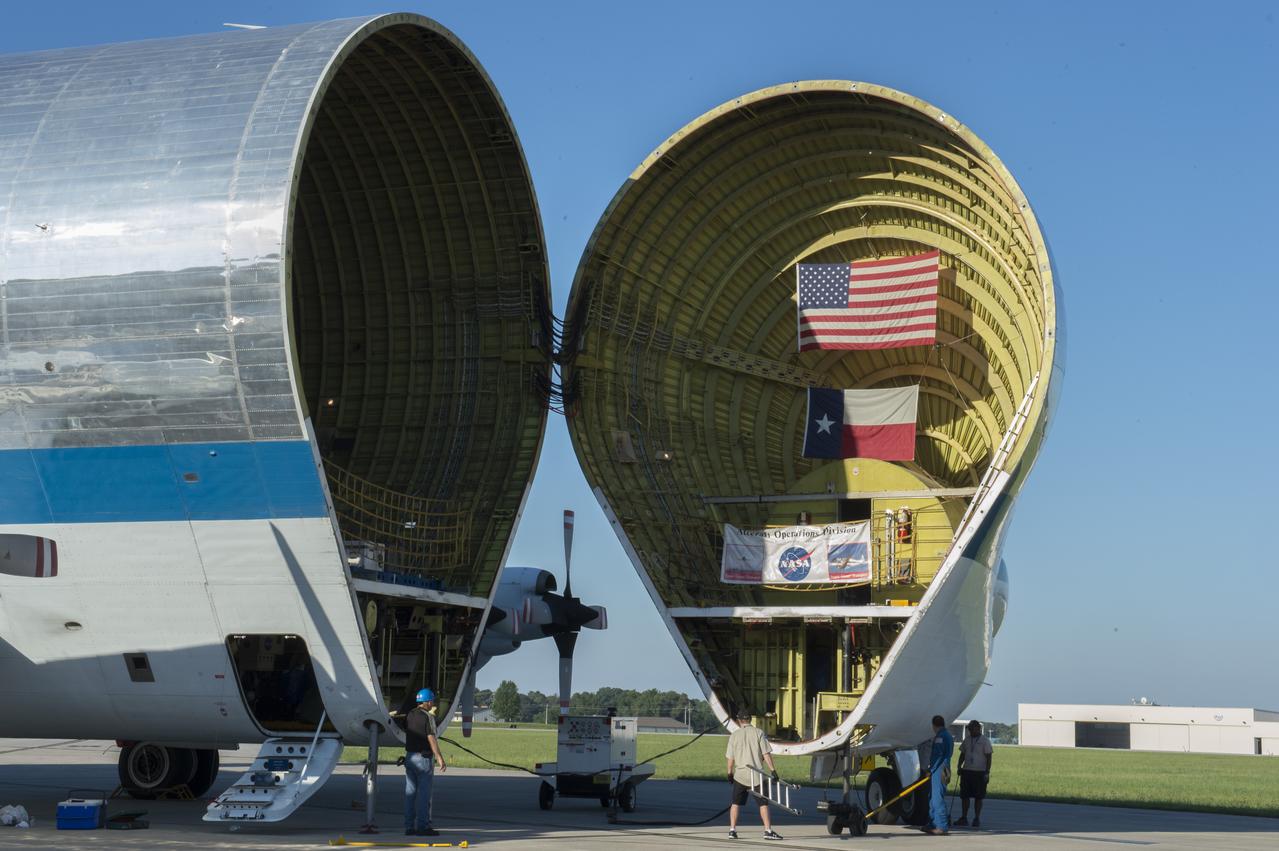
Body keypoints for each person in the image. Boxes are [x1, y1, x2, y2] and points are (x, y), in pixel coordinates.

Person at [725, 707, 783, 841]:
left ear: (739, 721)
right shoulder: (759, 733)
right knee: (763, 804)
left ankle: (732, 830)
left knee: (735, 803)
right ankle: (768, 830)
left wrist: (729, 773)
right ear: (750, 720)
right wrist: (773, 771)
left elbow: (730, 757)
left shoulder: (734, 735)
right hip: (757, 776)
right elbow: (766, 754)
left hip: (740, 775)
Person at [400, 688, 446, 836]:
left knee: (410, 793)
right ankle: (423, 827)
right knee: (424, 795)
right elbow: (431, 737)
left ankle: (409, 827)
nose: (432, 703)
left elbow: (406, 729)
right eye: (431, 701)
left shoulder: (410, 714)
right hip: (424, 759)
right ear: (426, 702)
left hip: (410, 757)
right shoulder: (428, 717)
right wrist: (439, 757)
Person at [955, 720, 993, 828]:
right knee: (964, 796)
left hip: (979, 772)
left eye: (972, 728)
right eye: (969, 729)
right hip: (967, 771)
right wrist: (959, 766)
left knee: (978, 797)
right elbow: (962, 754)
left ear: (978, 728)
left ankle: (976, 818)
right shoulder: (967, 740)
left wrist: (987, 772)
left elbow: (989, 757)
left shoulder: (985, 741)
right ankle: (964, 817)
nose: (970, 731)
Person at [924, 714, 953, 835]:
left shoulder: (941, 737)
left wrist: (930, 770)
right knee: (932, 798)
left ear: (934, 725)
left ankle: (941, 826)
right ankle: (932, 823)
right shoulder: (947, 735)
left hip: (939, 770)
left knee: (937, 799)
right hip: (941, 769)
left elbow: (938, 755)